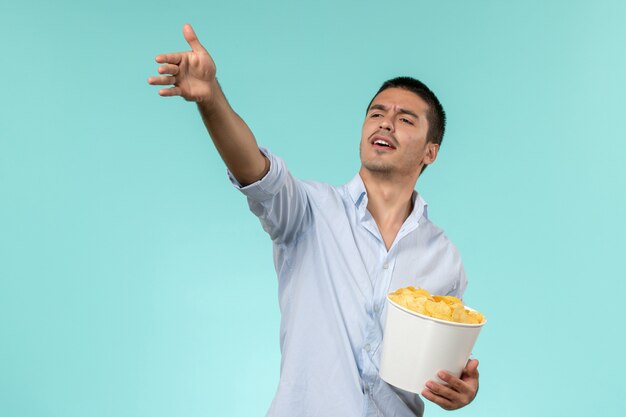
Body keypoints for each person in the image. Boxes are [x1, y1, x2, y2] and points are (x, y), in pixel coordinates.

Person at [148, 24, 480, 417]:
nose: (386, 123)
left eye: (406, 119)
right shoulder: (309, 212)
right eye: (377, 112)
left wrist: (462, 391)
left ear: (430, 152)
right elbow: (255, 171)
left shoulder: (445, 259)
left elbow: (441, 371)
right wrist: (211, 99)